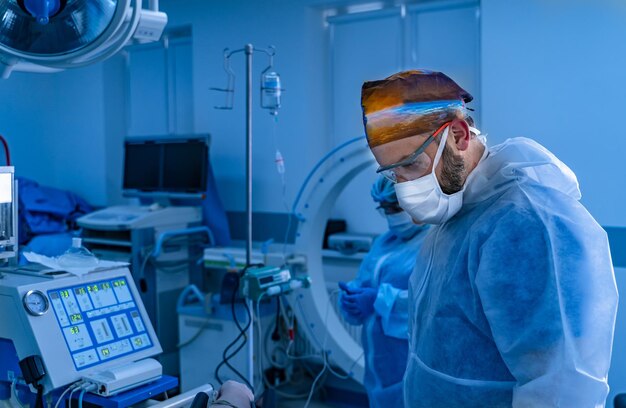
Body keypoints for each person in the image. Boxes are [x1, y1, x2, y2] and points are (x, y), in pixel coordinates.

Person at [360, 70, 618, 407]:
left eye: (411, 164)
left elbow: (562, 387)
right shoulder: (455, 216)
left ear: (458, 134)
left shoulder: (528, 222)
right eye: (393, 173)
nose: (404, 187)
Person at [338, 176, 430, 408]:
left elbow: (431, 306)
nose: (392, 215)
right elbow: (365, 282)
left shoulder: (435, 241)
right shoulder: (384, 242)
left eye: (396, 207)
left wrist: (378, 299)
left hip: (414, 363)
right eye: (385, 209)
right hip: (380, 363)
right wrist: (352, 298)